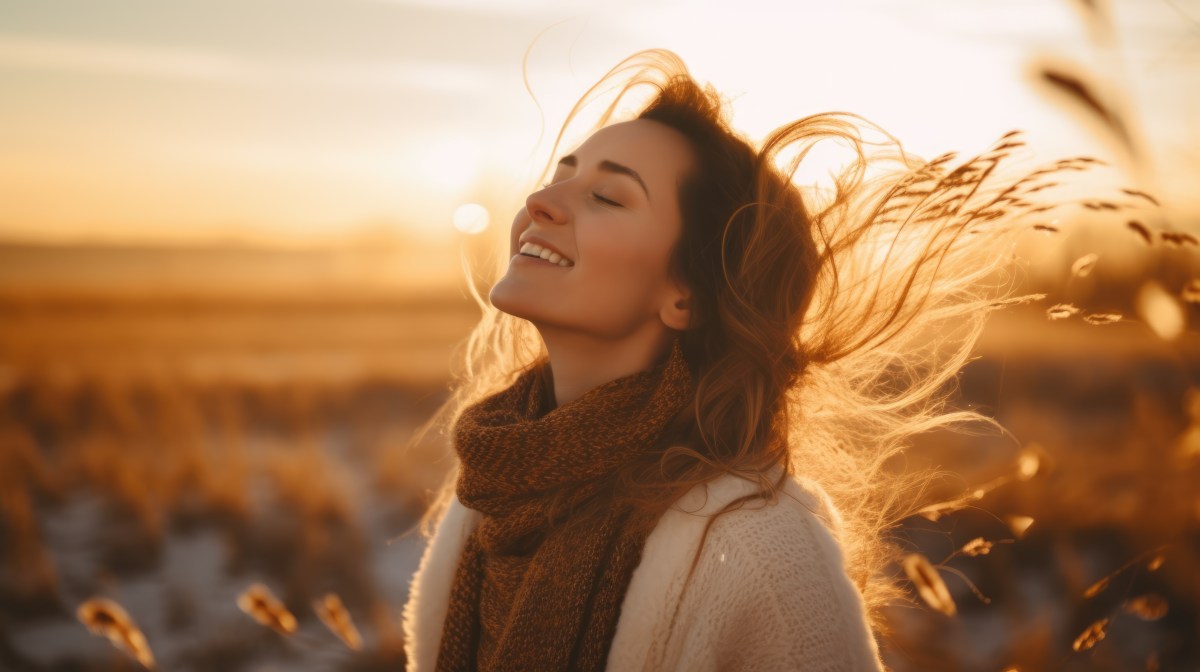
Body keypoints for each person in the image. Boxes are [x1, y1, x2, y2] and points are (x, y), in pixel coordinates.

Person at [399, 48, 1093, 671]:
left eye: (606, 196)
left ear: (685, 296)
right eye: (562, 175)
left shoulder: (761, 552)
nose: (540, 201)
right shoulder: (492, 493)